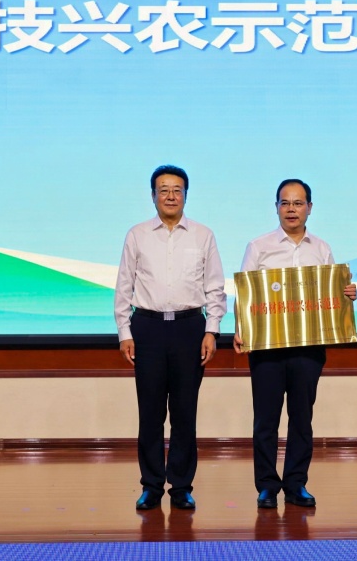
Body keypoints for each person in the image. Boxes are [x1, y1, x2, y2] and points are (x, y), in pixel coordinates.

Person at [235, 178, 357, 509]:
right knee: (266, 420)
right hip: (267, 349)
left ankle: (296, 483)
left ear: (310, 208)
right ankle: (266, 486)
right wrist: (241, 329)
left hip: (308, 348)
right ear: (276, 207)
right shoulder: (258, 247)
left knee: (302, 418)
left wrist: (347, 293)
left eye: (298, 203)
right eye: (285, 203)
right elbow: (245, 295)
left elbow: (333, 294)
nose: (292, 209)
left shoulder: (322, 249)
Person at [115, 165, 226, 512]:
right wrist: (124, 332)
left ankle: (181, 486)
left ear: (186, 195)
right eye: (163, 190)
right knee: (150, 413)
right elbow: (124, 286)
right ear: (153, 196)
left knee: (184, 412)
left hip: (189, 328)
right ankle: (151, 486)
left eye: (177, 190)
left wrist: (211, 330)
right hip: (147, 328)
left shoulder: (203, 235)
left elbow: (215, 288)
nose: (170, 196)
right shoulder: (137, 235)